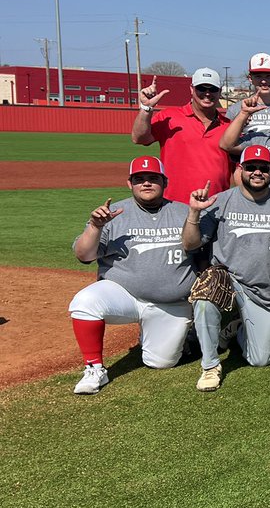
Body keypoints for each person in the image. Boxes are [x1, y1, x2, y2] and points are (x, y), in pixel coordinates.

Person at [67, 156, 198, 394]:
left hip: (170, 303)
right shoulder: (112, 213)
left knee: (161, 362)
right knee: (85, 302)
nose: (146, 183)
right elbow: (84, 256)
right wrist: (96, 227)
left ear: (164, 182)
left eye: (152, 178)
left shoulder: (183, 212)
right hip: (124, 293)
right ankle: (94, 368)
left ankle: (173, 332)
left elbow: (199, 250)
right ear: (130, 183)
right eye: (139, 179)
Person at [183, 145, 270, 391]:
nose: (257, 172)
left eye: (263, 168)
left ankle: (237, 327)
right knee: (205, 296)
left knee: (260, 360)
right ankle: (210, 366)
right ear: (241, 170)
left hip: (263, 290)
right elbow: (190, 243)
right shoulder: (222, 201)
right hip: (226, 280)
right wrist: (195, 213)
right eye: (251, 167)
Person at [131, 68, 232, 204]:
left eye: (212, 89)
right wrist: (146, 108)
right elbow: (139, 138)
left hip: (217, 206)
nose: (207, 93)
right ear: (191, 89)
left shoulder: (229, 126)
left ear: (219, 91)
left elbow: (238, 169)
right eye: (201, 88)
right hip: (174, 206)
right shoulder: (170, 116)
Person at [225, 53, 270, 141]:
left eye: (268, 76)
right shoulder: (236, 109)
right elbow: (225, 142)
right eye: (258, 76)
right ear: (250, 78)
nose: (263, 81)